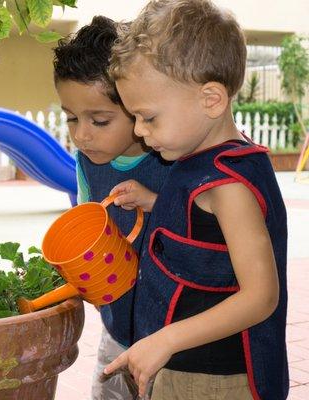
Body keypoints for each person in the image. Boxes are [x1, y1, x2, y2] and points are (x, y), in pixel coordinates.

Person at [103, 1, 288, 399]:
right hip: (185, 366)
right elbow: (207, 232)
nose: (139, 130)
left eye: (148, 117)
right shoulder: (198, 160)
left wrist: (165, 340)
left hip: (212, 379)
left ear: (211, 100)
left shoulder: (230, 185)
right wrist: (154, 202)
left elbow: (261, 296)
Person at [53, 15, 171, 399]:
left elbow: (201, 220)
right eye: (71, 118)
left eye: (99, 120)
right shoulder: (86, 162)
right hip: (118, 323)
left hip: (171, 331)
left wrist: (154, 202)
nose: (81, 134)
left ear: (137, 109)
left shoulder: (170, 158)